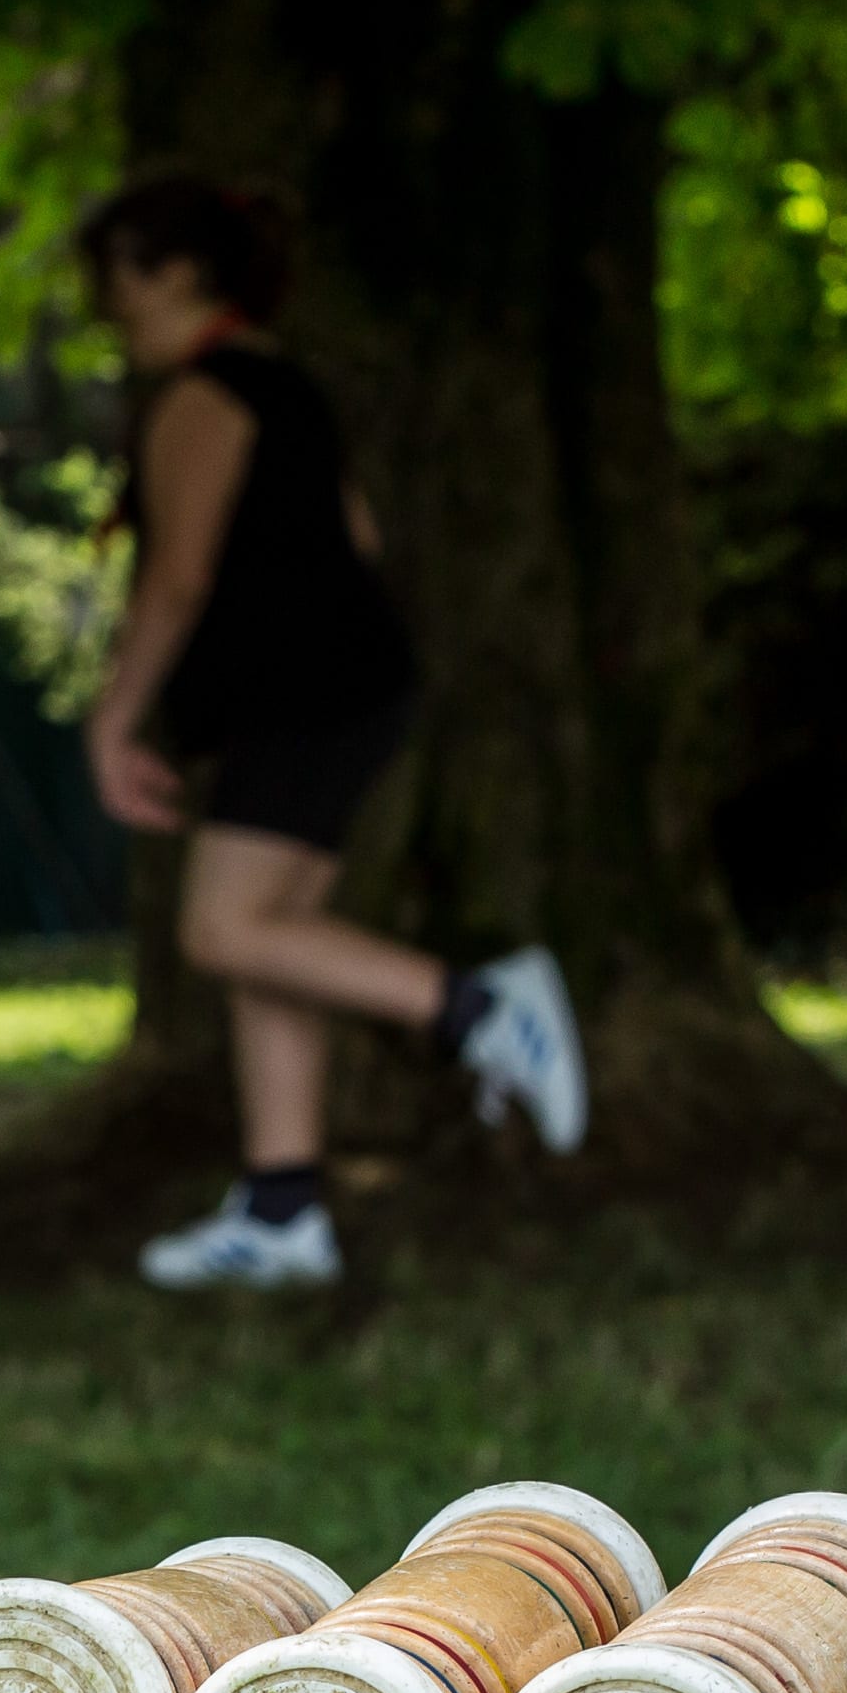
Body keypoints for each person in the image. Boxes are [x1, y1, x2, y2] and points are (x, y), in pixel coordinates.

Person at [72, 173, 584, 1296]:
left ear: (176, 274)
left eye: (116, 280)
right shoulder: (286, 386)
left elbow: (177, 577)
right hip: (342, 689)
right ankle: (282, 1212)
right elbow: (357, 536)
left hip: (304, 696)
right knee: (274, 936)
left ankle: (482, 1011)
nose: (106, 308)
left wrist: (112, 723)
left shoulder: (204, 397)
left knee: (222, 930)